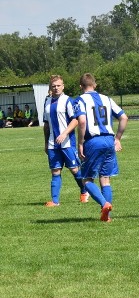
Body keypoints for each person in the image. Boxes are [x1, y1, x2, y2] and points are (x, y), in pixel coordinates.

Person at [75, 73, 128, 222]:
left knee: (87, 179)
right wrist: (117, 138)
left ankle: (104, 204)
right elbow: (124, 117)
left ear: (81, 86)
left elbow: (82, 122)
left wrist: (80, 143)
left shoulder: (80, 100)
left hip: (93, 141)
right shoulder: (107, 99)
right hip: (109, 140)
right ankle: (107, 216)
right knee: (105, 180)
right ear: (95, 85)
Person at [43, 75, 88, 206]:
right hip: (52, 143)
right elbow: (46, 124)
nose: (56, 88)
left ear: (63, 86)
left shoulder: (68, 100)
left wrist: (64, 134)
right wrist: (46, 142)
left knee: (74, 170)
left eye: (58, 85)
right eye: (53, 86)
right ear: (50, 87)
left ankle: (84, 191)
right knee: (55, 171)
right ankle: (55, 201)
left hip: (67, 142)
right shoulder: (46, 101)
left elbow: (75, 120)